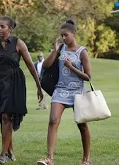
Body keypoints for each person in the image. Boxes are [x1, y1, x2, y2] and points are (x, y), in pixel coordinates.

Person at [0, 16, 43, 164]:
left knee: (6, 117)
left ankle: (2, 154)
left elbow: (30, 66)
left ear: (10, 29)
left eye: (2, 27)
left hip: (14, 83)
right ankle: (10, 150)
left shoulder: (18, 43)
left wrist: (38, 86)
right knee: (3, 118)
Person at [36, 19, 92, 165]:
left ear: (73, 33)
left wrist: (71, 66)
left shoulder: (82, 52)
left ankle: (86, 159)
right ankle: (49, 158)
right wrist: (55, 50)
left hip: (78, 92)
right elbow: (46, 66)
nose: (63, 38)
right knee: (53, 121)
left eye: (66, 35)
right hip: (60, 90)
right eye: (61, 35)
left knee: (82, 125)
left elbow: (88, 76)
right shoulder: (60, 49)